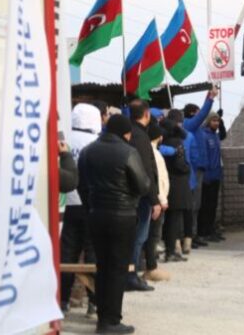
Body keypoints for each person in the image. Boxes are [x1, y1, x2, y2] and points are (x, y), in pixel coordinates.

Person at [78, 114, 150, 334]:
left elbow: (80, 186)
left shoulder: (87, 151)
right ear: (125, 133)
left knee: (102, 266)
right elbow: (143, 185)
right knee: (118, 269)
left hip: (96, 215)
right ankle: (112, 321)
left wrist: (92, 205)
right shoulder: (129, 152)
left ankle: (102, 319)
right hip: (122, 217)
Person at [60, 103, 101, 314]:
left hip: (68, 204)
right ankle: (94, 302)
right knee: (93, 255)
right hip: (91, 205)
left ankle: (63, 301)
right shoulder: (96, 142)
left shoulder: (65, 140)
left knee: (67, 255)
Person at [127, 100, 161, 292]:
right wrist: (154, 199)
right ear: (146, 114)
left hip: (130, 195)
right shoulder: (140, 137)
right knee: (139, 237)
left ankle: (130, 273)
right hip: (141, 196)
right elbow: (147, 170)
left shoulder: (130, 133)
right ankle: (131, 275)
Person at [183, 86, 218, 248]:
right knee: (193, 205)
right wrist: (210, 98)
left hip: (200, 170)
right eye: (197, 112)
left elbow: (202, 114)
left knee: (197, 205)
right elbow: (203, 114)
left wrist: (208, 96)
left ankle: (193, 234)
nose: (200, 116)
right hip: (194, 170)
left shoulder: (195, 127)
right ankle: (190, 235)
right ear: (192, 114)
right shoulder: (189, 125)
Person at [161, 114, 193, 261]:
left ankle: (169, 249)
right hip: (178, 184)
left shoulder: (163, 143)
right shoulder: (177, 143)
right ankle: (171, 251)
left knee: (168, 220)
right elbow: (180, 165)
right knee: (174, 220)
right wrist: (187, 168)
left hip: (166, 184)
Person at [142, 121, 171, 282]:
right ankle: (150, 267)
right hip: (157, 200)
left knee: (149, 235)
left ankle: (147, 265)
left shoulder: (149, 151)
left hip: (154, 199)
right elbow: (159, 179)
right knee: (153, 235)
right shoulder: (155, 154)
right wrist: (162, 200)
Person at [198, 111, 227, 241]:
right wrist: (205, 175)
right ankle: (203, 232)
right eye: (214, 121)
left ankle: (210, 230)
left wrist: (222, 121)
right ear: (208, 121)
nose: (216, 123)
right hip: (207, 176)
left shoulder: (215, 135)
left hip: (216, 175)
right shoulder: (204, 135)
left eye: (217, 121)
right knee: (205, 206)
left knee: (213, 205)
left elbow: (223, 134)